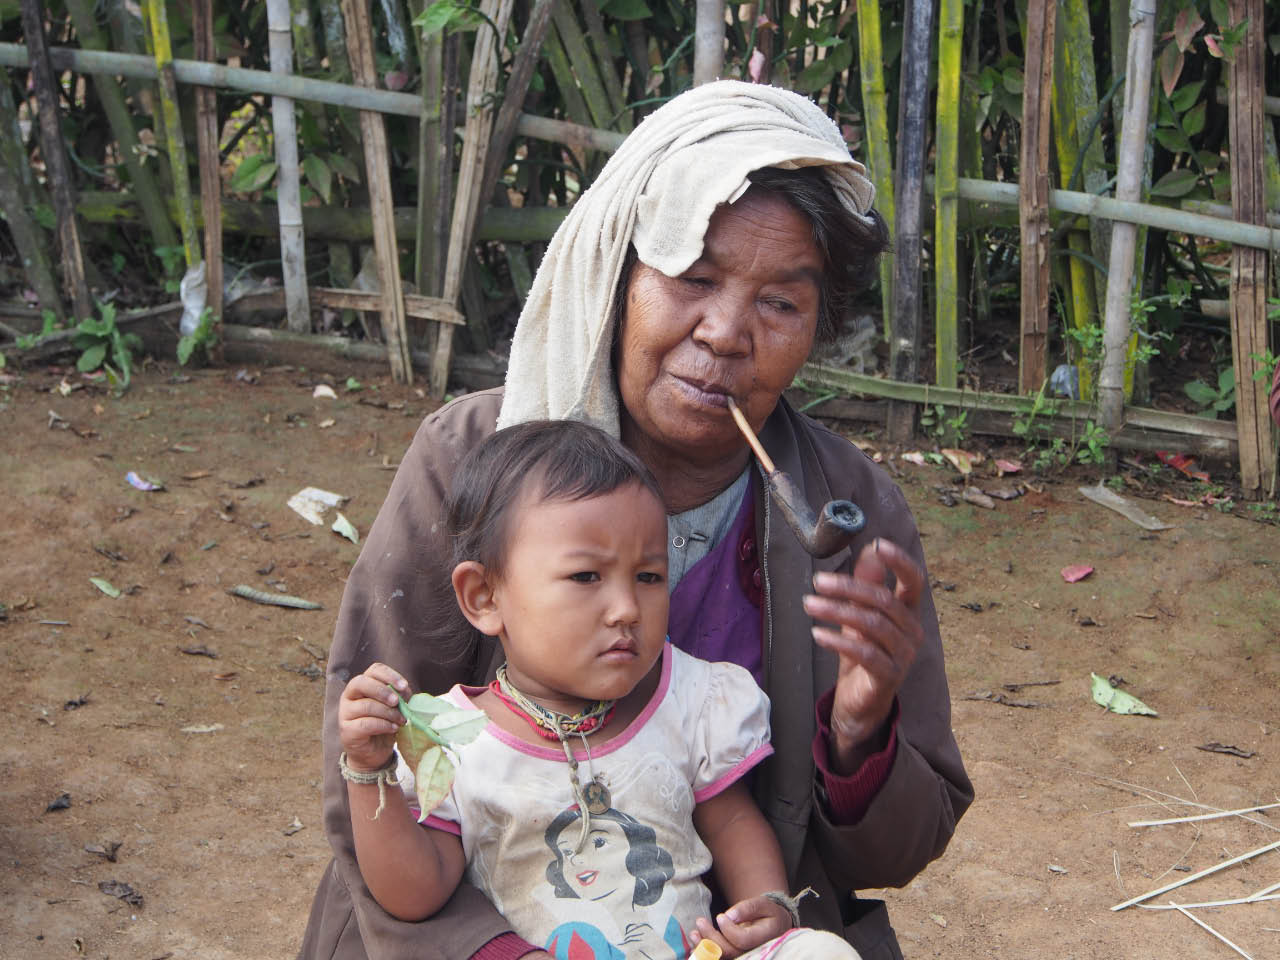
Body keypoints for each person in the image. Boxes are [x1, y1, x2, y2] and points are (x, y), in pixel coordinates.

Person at [299, 79, 973, 960]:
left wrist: (858, 733)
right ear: (615, 273)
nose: (728, 332)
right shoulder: (471, 458)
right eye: (694, 277)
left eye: (781, 303)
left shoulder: (848, 516)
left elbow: (896, 853)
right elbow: (373, 772)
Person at [337, 420, 861, 960]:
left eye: (649, 577)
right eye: (586, 577)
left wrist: (765, 907)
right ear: (484, 596)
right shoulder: (455, 744)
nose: (626, 609)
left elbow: (731, 820)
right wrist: (367, 770)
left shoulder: (689, 702)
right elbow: (415, 895)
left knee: (819, 952)